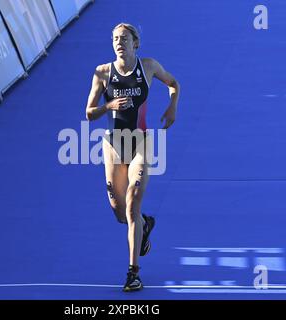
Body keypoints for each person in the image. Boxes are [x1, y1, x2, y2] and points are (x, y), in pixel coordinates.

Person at [85, 23, 180, 292]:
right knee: (119, 213)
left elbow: (174, 83)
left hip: (140, 142)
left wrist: (172, 106)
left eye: (124, 38)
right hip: (114, 145)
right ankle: (144, 225)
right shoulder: (102, 73)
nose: (119, 42)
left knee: (132, 203)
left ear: (135, 43)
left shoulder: (148, 66)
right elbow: (88, 113)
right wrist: (108, 106)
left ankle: (133, 272)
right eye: (115, 38)